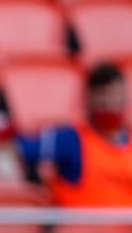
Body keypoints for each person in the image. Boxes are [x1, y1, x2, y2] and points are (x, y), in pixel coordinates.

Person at [15, 62, 132, 208]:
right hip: (79, 221)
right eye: (103, 97)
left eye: (115, 96)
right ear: (89, 100)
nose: (110, 104)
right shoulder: (70, 139)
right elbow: (16, 148)